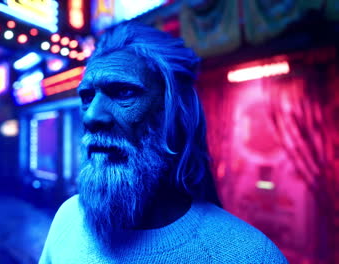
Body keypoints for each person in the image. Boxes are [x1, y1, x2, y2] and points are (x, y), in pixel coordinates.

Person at [39, 22, 287, 263]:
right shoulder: (67, 218)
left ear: (176, 114)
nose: (92, 116)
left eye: (124, 92)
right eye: (87, 96)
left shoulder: (250, 255)